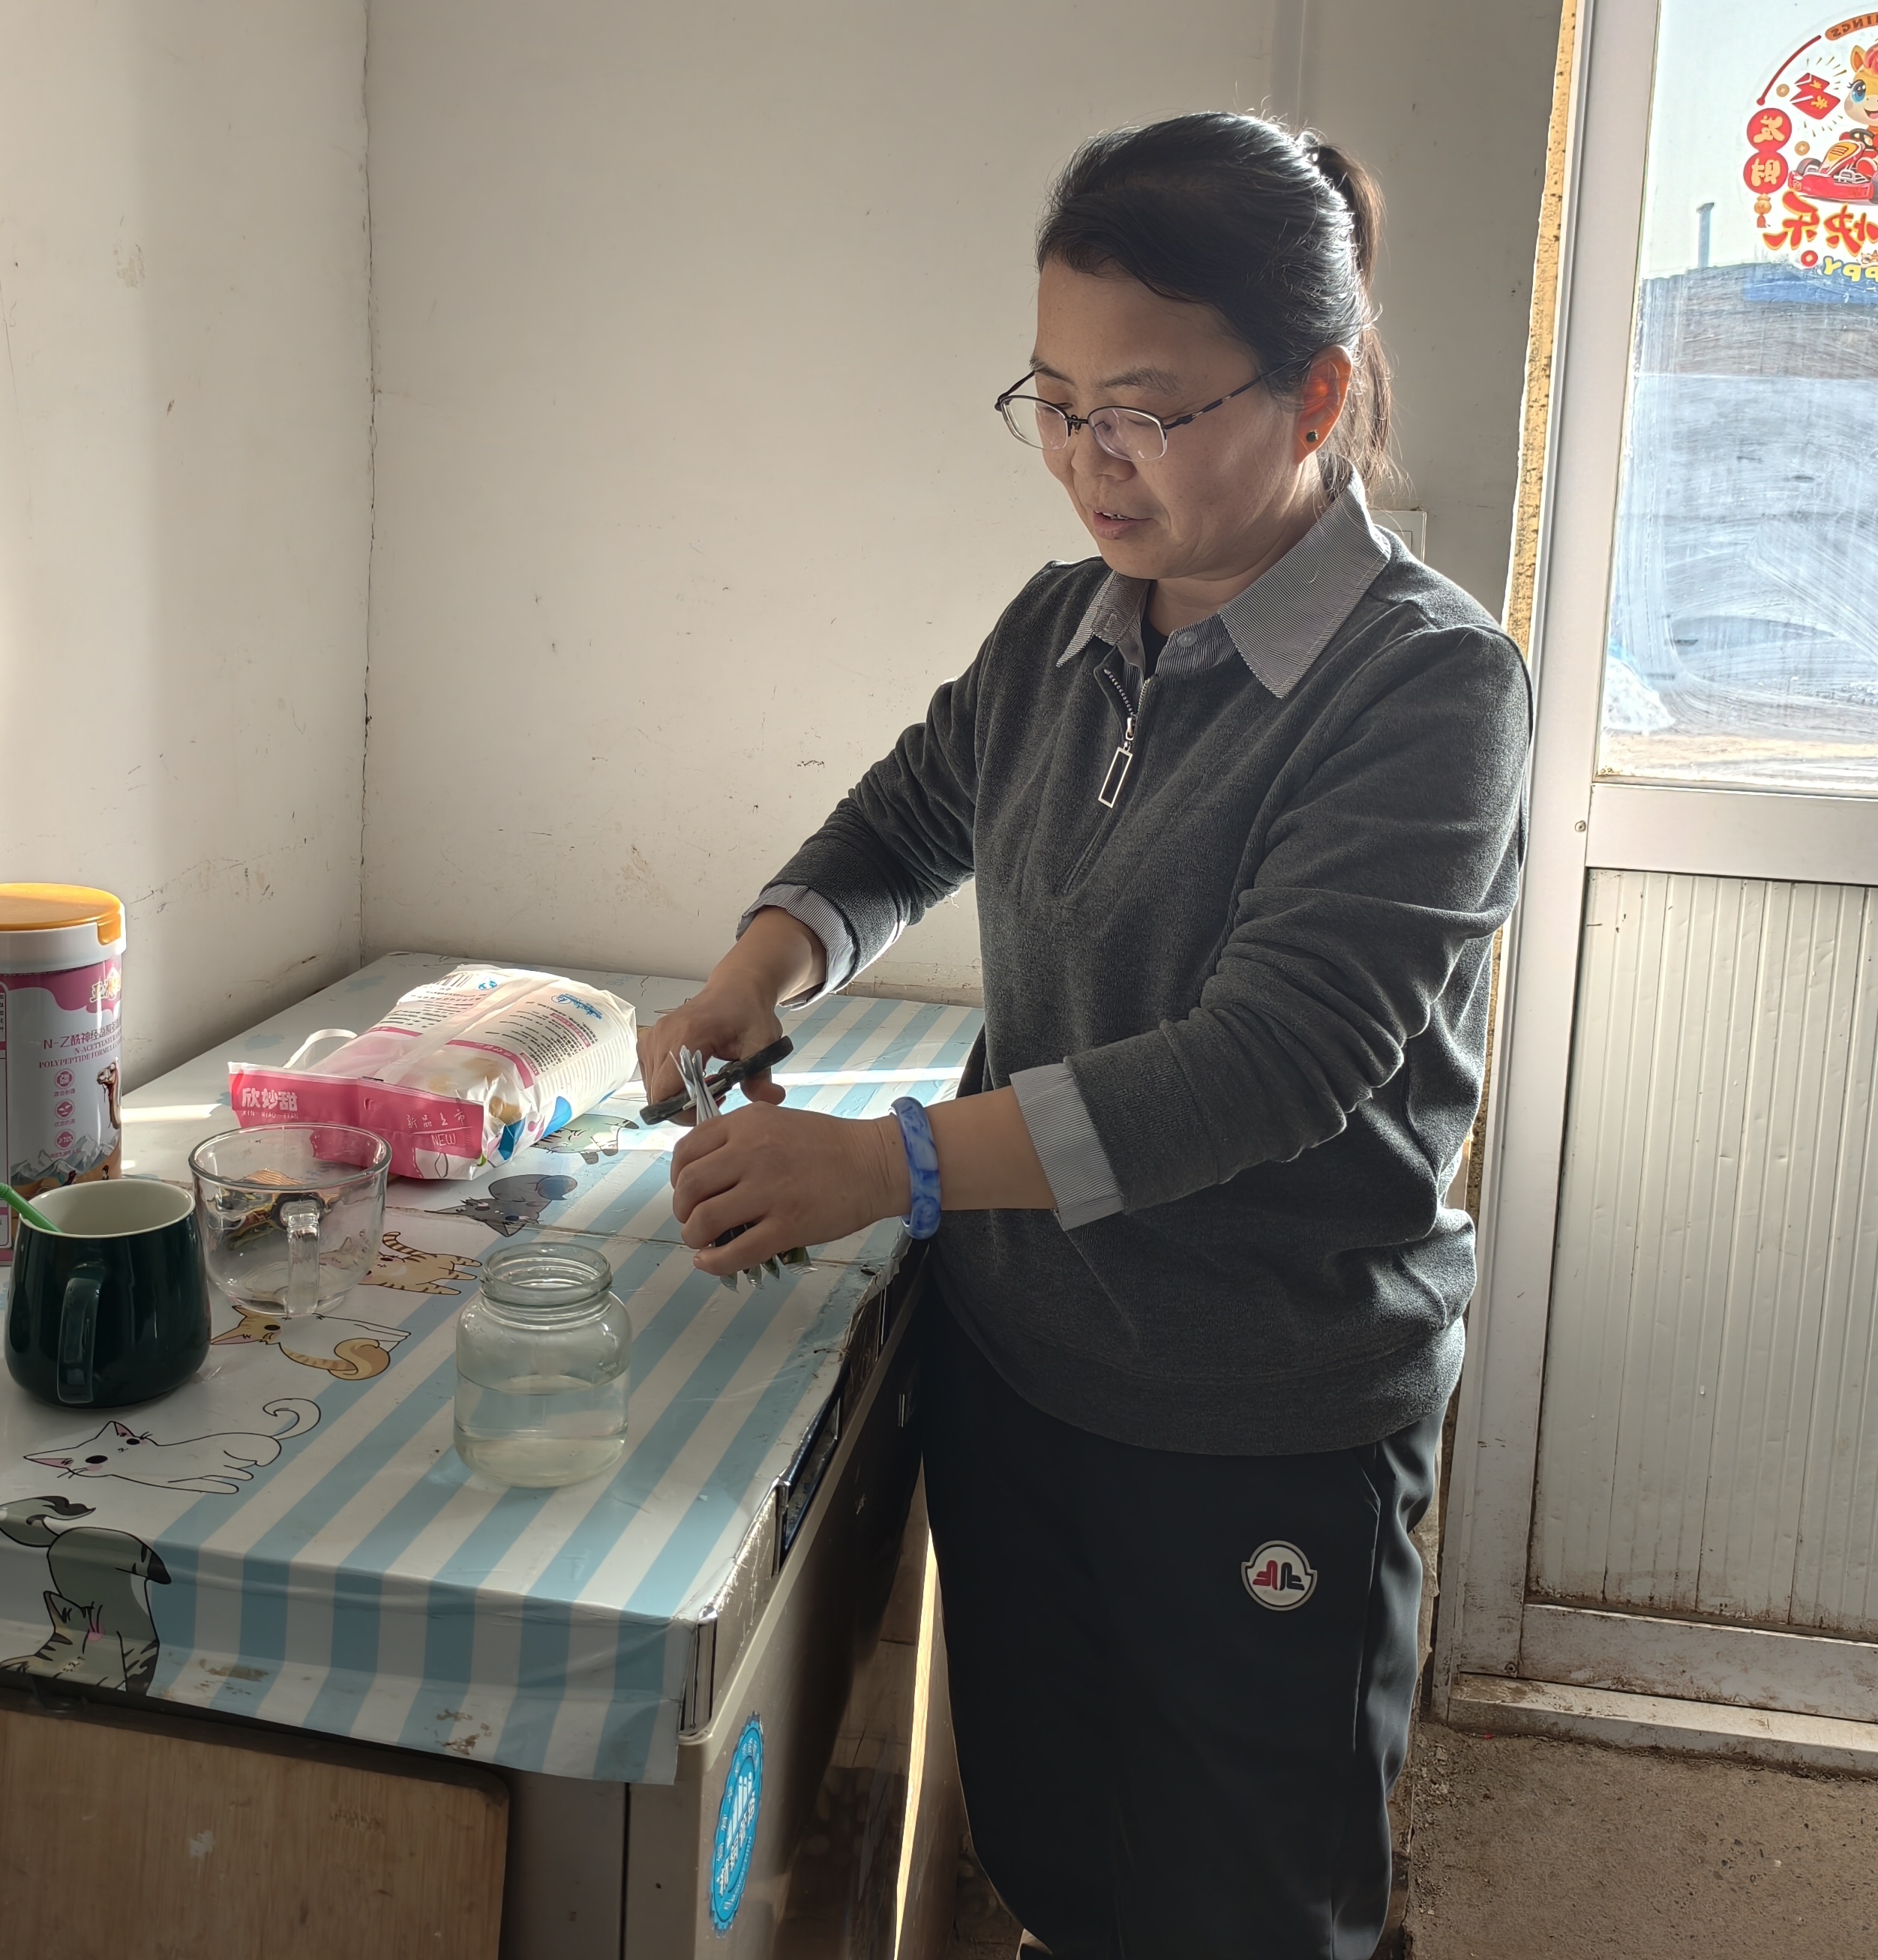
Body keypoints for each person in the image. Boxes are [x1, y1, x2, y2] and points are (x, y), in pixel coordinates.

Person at [640, 112, 1530, 1959]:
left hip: (1257, 1410)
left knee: (1254, 1904)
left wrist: (884, 1166)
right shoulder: (1063, 627)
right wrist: (758, 970)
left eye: (1141, 411)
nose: (1085, 462)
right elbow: (909, 817)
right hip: (1023, 1369)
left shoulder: (1426, 688)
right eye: (1051, 404)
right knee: (1053, 1853)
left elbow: (1267, 1064)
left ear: (1313, 394)